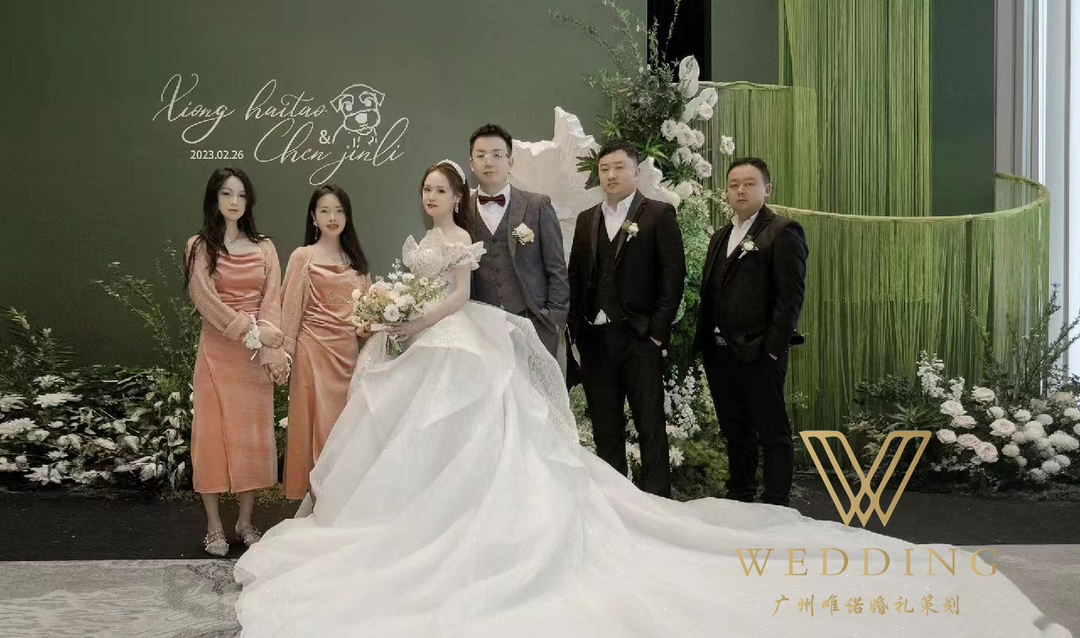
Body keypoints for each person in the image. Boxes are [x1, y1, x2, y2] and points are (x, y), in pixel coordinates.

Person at [232, 161, 1068, 638]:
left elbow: (459, 296)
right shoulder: (422, 237)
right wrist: (395, 317)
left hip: (465, 342)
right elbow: (422, 290)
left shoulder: (484, 239)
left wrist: (413, 320)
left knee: (502, 444)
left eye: (442, 192)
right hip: (428, 348)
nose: (436, 201)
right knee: (425, 448)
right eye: (430, 193)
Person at [567, 140, 686, 497]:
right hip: (594, 337)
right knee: (605, 427)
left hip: (639, 337)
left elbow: (673, 277)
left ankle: (657, 502)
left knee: (650, 424)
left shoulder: (659, 214)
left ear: (636, 172)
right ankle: (616, 502)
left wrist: (657, 333)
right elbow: (576, 276)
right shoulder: (587, 219)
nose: (611, 175)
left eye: (619, 167)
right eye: (604, 169)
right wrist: (575, 329)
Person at [184, 166, 288, 556]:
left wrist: (269, 349)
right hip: (217, 353)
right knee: (210, 437)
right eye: (227, 193)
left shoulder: (265, 248)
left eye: (241, 195)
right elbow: (204, 299)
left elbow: (272, 301)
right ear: (214, 198)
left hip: (254, 358)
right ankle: (214, 526)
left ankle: (245, 522)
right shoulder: (198, 246)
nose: (234, 201)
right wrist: (250, 330)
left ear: (250, 201)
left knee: (252, 438)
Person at [695, 157, 807, 507]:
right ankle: (740, 494)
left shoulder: (783, 231)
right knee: (734, 428)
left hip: (760, 350)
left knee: (771, 429)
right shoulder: (720, 236)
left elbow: (790, 297)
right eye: (733, 185)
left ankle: (775, 501)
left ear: (767, 189)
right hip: (720, 350)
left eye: (748, 184)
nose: (740, 190)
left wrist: (772, 348)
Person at [279, 184, 372, 501]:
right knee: (316, 426)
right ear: (313, 217)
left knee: (345, 428)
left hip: (348, 357)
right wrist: (283, 356)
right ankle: (317, 501)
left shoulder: (356, 262)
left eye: (339, 211)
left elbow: (366, 315)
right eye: (325, 211)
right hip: (312, 354)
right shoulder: (303, 257)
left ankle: (341, 500)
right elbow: (289, 312)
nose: (332, 217)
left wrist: (368, 330)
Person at [465, 123, 569, 369]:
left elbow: (557, 269)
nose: (489, 162)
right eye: (481, 156)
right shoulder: (461, 210)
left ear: (510, 162)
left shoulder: (537, 205)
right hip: (482, 332)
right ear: (471, 164)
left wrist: (553, 320)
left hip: (534, 325)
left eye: (497, 155)